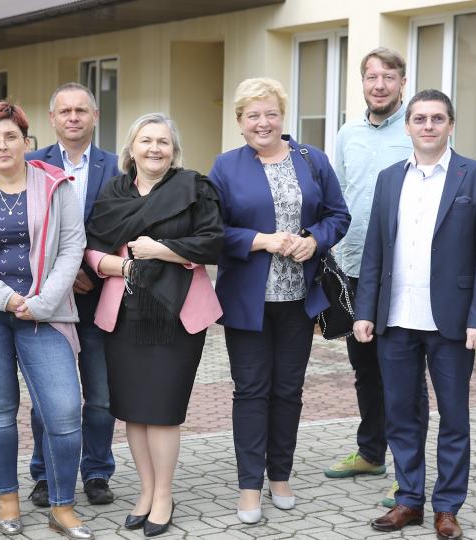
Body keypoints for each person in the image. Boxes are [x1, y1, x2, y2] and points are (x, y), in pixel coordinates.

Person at [0, 102, 93, 539]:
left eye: (11, 136)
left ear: (27, 142)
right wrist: (6, 299)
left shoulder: (57, 186)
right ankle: (7, 498)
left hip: (45, 315)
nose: (2, 145)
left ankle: (61, 506)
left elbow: (71, 248)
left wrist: (42, 302)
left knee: (64, 413)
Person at [353, 89, 476, 540]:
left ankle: (448, 507)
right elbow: (376, 251)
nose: (429, 126)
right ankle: (409, 500)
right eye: (420, 119)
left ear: (451, 125)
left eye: (438, 118)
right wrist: (365, 311)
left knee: (453, 415)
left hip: (452, 321)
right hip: (396, 317)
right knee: (401, 413)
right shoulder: (389, 179)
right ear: (408, 126)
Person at [208, 78, 350, 524]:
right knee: (251, 391)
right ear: (240, 122)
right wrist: (259, 240)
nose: (262, 122)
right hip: (247, 302)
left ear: (281, 116)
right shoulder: (225, 167)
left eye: (270, 113)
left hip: (299, 300)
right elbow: (211, 231)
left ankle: (280, 475)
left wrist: (315, 240)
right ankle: (250, 484)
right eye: (253, 115)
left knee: (288, 390)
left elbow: (338, 215)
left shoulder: (312, 160)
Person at [85, 112, 223, 537]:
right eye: (146, 141)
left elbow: (213, 242)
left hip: (177, 316)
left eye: (163, 141)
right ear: (131, 148)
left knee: (162, 412)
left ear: (174, 149)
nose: (155, 149)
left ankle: (164, 495)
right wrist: (121, 265)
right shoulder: (113, 192)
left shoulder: (195, 188)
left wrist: (160, 249)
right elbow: (90, 247)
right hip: (124, 313)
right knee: (134, 413)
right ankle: (144, 492)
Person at [328, 47, 427, 508]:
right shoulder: (347, 134)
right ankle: (371, 453)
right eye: (372, 77)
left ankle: (410, 472)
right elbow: (341, 197)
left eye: (389, 76)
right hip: (353, 268)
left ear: (402, 82)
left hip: (403, 273)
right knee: (365, 369)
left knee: (403, 375)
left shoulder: (417, 129)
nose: (380, 85)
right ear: (362, 83)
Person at [25, 82, 121, 508]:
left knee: (100, 394)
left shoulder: (118, 167)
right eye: (64, 111)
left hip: (99, 295)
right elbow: (20, 233)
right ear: (52, 118)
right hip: (49, 298)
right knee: (49, 395)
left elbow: (124, 227)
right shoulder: (31, 165)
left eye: (82, 110)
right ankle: (45, 474)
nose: (73, 117)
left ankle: (97, 471)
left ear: (95, 116)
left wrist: (85, 265)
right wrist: (62, 274)